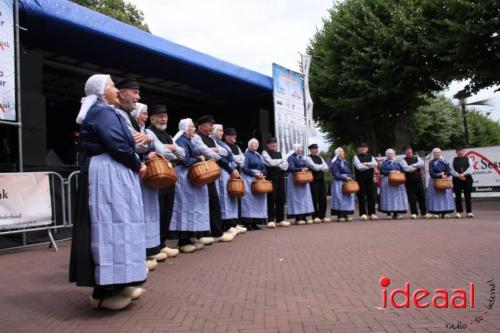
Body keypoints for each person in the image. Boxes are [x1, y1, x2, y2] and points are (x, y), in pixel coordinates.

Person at [69, 74, 147, 311]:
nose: (116, 89)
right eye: (112, 86)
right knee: (109, 227)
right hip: (107, 174)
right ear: (102, 92)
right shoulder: (103, 112)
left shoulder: (107, 112)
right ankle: (103, 290)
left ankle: (120, 283)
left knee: (121, 225)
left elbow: (125, 143)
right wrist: (138, 164)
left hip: (114, 172)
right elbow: (118, 144)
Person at [115, 80, 163, 271]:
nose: (138, 97)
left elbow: (147, 144)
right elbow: (135, 144)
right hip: (125, 170)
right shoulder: (115, 113)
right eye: (135, 92)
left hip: (135, 171)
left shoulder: (128, 118)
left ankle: (144, 252)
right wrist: (148, 143)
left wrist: (149, 141)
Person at [144, 104, 185, 258]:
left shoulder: (166, 134)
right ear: (152, 118)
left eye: (165, 116)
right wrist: (172, 149)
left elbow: (182, 153)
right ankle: (155, 245)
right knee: (158, 210)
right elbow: (162, 151)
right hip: (157, 175)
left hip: (169, 174)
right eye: (160, 116)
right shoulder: (149, 132)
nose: (163, 119)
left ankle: (162, 243)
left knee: (167, 209)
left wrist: (171, 149)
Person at [169, 119, 212, 252]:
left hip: (191, 176)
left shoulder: (189, 140)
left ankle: (192, 236)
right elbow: (185, 160)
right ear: (186, 128)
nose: (194, 129)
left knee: (192, 206)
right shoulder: (182, 140)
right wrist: (198, 158)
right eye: (192, 127)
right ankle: (183, 240)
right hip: (184, 177)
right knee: (184, 206)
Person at [192, 115, 234, 243]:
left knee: (214, 201)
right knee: (203, 203)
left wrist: (213, 151)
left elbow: (224, 152)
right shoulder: (196, 137)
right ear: (201, 126)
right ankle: (203, 233)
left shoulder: (210, 138)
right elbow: (204, 151)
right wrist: (214, 152)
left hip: (211, 172)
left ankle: (216, 231)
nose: (211, 127)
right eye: (210, 125)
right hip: (200, 173)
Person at [211, 124, 247, 235]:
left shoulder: (221, 143)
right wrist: (231, 168)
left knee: (231, 198)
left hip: (229, 171)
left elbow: (232, 157)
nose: (221, 133)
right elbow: (222, 158)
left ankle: (233, 222)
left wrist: (234, 168)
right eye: (219, 131)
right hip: (222, 171)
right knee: (224, 198)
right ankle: (226, 224)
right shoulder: (214, 141)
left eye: (222, 131)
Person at [262, 137, 290, 228]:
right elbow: (270, 163)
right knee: (271, 199)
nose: (274, 145)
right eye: (271, 143)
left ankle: (280, 220)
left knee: (281, 199)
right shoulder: (265, 152)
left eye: (275, 143)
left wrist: (279, 163)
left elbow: (285, 166)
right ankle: (270, 220)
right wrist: (281, 161)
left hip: (280, 178)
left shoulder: (280, 153)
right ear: (268, 145)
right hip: (271, 179)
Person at [241, 138, 268, 229]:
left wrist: (262, 173)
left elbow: (264, 167)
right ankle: (247, 223)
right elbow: (245, 168)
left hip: (259, 178)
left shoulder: (259, 155)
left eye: (257, 144)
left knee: (258, 200)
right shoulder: (246, 155)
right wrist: (254, 173)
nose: (255, 145)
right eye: (253, 143)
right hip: (249, 179)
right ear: (249, 145)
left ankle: (255, 222)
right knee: (249, 200)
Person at [286, 143, 314, 224]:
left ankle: (304, 216)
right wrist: (300, 169)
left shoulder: (303, 157)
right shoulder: (291, 157)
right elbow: (291, 167)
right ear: (294, 149)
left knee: (304, 198)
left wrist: (306, 168)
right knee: (296, 198)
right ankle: (298, 217)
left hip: (303, 179)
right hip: (295, 179)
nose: (300, 150)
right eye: (298, 148)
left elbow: (306, 166)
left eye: (301, 148)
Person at [400, 146, 431, 219]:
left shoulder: (417, 158)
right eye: (408, 151)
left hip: (418, 180)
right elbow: (406, 169)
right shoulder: (402, 160)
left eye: (410, 151)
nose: (410, 152)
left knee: (422, 197)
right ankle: (414, 213)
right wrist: (416, 166)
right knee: (412, 198)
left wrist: (412, 165)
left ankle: (424, 213)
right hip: (409, 181)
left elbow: (422, 164)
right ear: (405, 152)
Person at [379, 149, 408, 219]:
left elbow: (403, 170)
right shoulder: (384, 163)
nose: (390, 155)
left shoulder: (397, 162)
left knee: (396, 198)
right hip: (387, 181)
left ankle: (396, 213)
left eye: (392, 153)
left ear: (394, 154)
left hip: (397, 181)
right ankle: (388, 213)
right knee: (388, 197)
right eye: (389, 153)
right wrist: (389, 172)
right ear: (386, 155)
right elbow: (382, 171)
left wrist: (398, 171)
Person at [305, 143, 330, 223]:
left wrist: (321, 166)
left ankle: (323, 216)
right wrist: (322, 166)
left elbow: (327, 168)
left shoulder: (320, 157)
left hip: (321, 180)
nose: (315, 150)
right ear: (310, 150)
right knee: (314, 198)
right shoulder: (308, 158)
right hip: (313, 180)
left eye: (316, 149)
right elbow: (314, 167)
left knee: (323, 198)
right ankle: (315, 216)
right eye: (313, 149)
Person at [427, 148, 455, 218]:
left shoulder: (444, 162)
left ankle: (445, 212)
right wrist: (439, 174)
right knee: (435, 197)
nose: (437, 154)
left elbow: (449, 171)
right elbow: (431, 173)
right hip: (434, 181)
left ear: (441, 153)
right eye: (436, 152)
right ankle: (436, 212)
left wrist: (445, 174)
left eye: (439, 152)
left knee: (444, 197)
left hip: (444, 181)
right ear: (433, 154)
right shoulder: (431, 162)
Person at [353, 143, 378, 220]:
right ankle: (363, 213)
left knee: (372, 196)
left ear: (367, 149)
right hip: (360, 179)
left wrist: (366, 164)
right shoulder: (356, 157)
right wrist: (369, 166)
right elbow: (359, 167)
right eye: (362, 147)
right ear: (359, 149)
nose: (363, 148)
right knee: (361, 196)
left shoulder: (371, 156)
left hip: (370, 179)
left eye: (365, 147)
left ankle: (372, 213)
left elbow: (375, 164)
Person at [330, 147, 355, 222]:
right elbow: (335, 174)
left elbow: (350, 171)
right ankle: (339, 215)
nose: (343, 153)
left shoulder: (345, 162)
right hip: (339, 182)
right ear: (337, 153)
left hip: (347, 181)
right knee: (339, 198)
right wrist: (345, 178)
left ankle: (346, 214)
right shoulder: (335, 162)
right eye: (341, 152)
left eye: (343, 152)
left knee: (347, 198)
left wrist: (350, 177)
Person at [451, 147, 474, 218]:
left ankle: (469, 212)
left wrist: (464, 174)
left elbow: (471, 169)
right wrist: (459, 175)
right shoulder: (453, 160)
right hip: (457, 179)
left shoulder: (469, 159)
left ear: (463, 151)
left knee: (468, 196)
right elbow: (451, 170)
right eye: (458, 150)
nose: (459, 152)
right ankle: (458, 212)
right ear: (456, 152)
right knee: (458, 196)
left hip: (467, 178)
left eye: (461, 150)